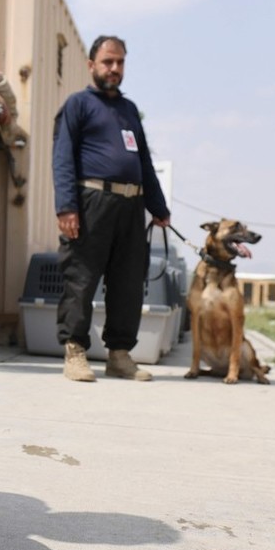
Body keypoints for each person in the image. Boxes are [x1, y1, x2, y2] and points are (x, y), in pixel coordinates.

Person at [51, 34, 170, 383]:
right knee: (81, 279)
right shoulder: (77, 105)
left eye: (119, 62)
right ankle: (74, 351)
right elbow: (62, 158)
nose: (114, 68)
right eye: (107, 62)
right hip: (91, 204)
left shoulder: (129, 110)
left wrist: (157, 206)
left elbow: (144, 161)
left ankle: (119, 355)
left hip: (132, 206)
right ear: (91, 65)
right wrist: (66, 207)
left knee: (129, 282)